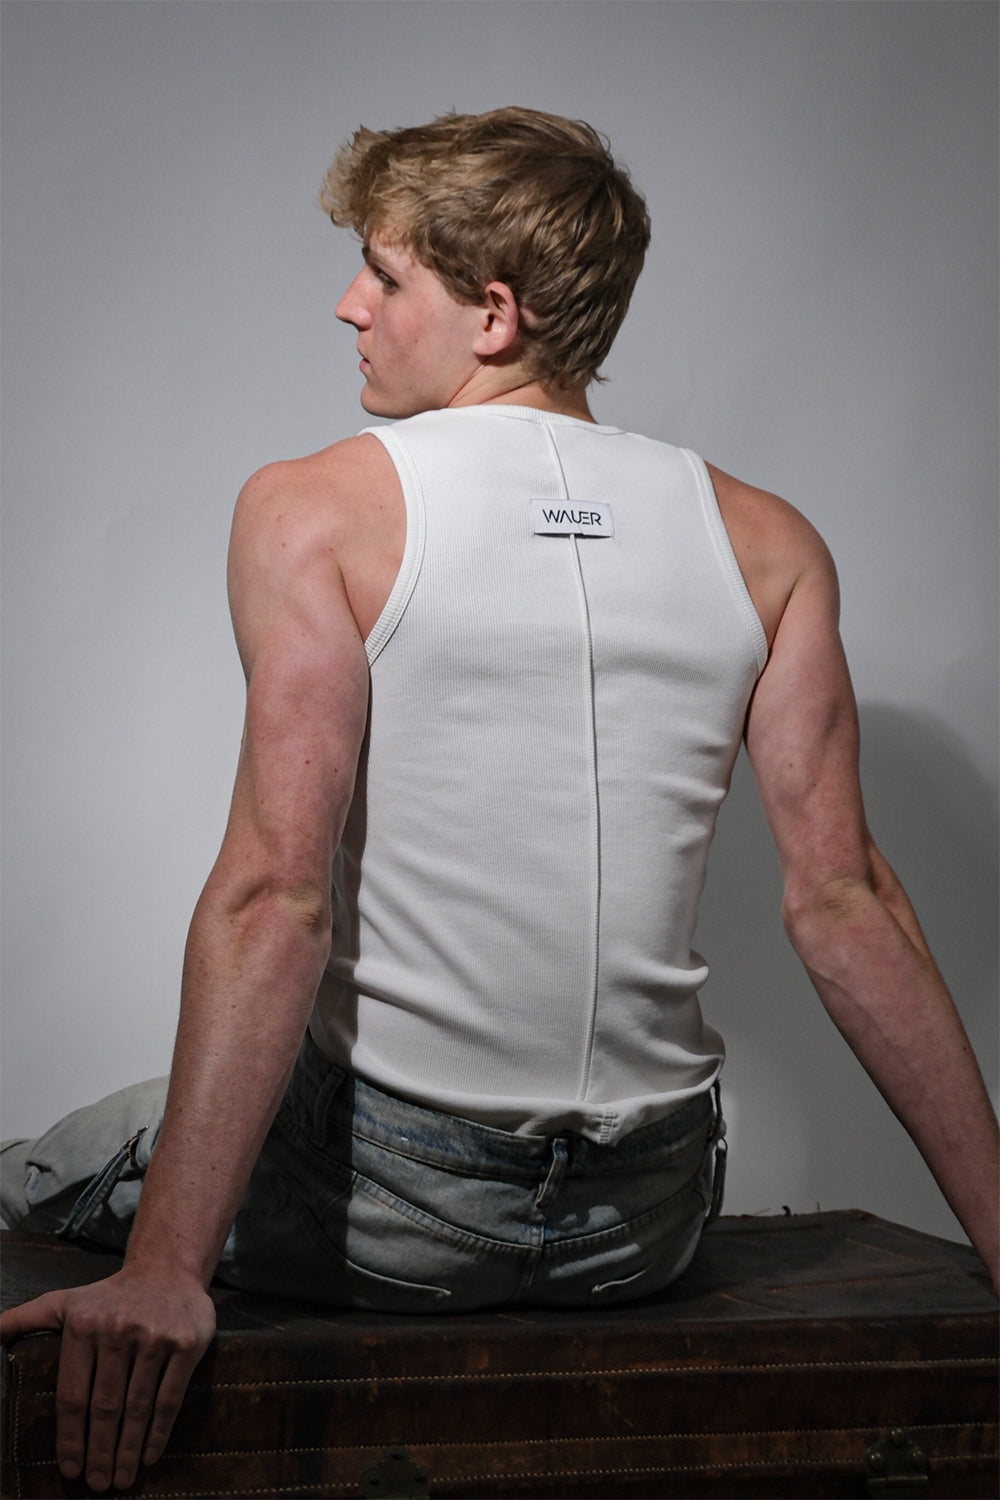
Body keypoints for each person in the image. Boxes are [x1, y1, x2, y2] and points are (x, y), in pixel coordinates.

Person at [1, 106, 997, 1495]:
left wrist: (166, 1269)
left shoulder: (313, 508)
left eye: (385, 273)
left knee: (43, 1162)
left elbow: (276, 895)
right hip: (647, 1225)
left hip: (393, 1211)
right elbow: (847, 901)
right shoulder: (771, 542)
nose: (348, 304)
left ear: (493, 313)